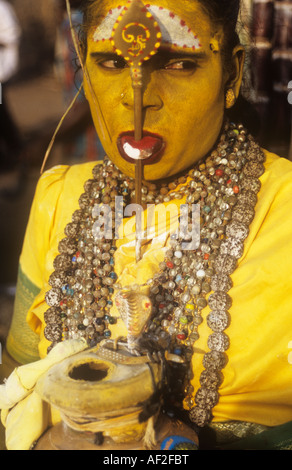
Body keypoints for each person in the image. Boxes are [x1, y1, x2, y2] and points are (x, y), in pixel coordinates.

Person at [1, 0, 292, 451]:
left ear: (231, 77)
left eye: (179, 64)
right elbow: (15, 373)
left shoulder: (285, 209)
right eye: (112, 62)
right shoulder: (59, 196)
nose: (137, 98)